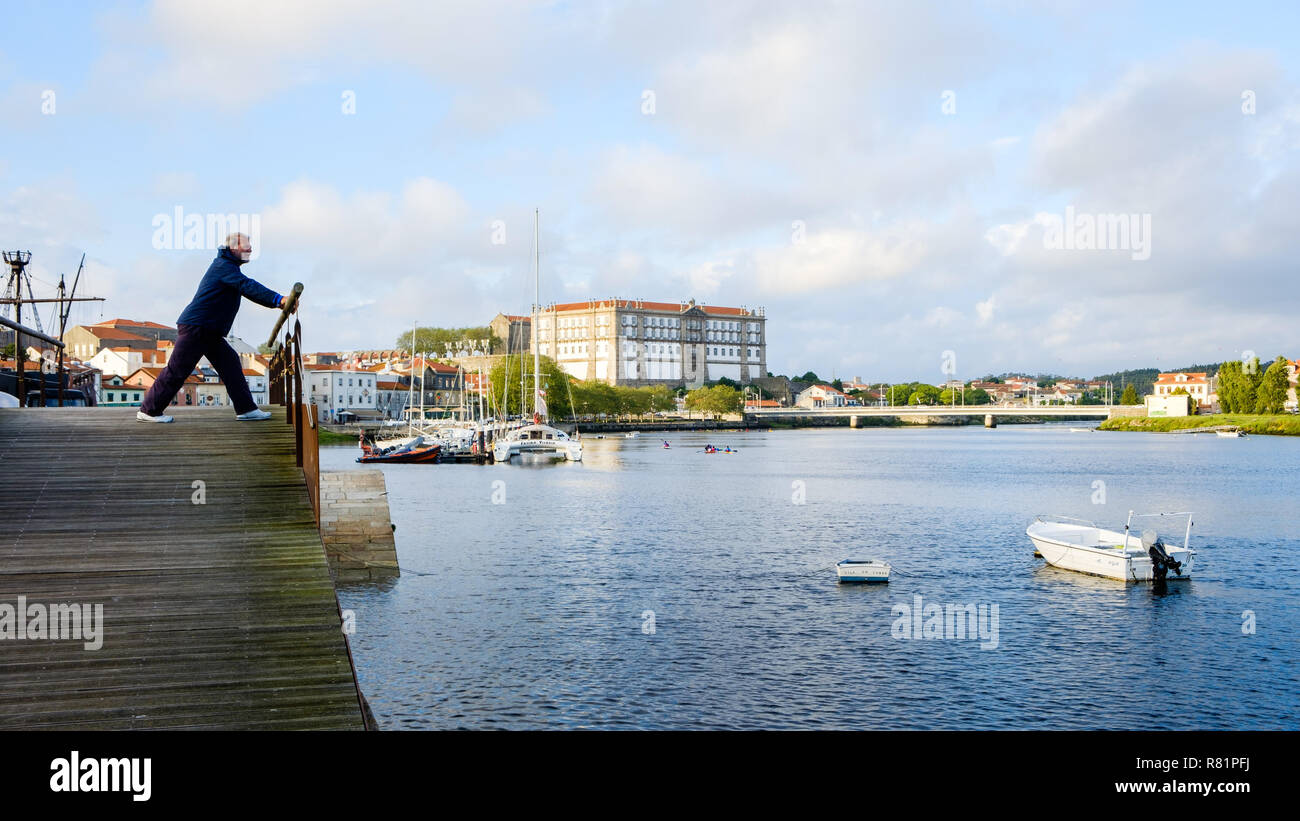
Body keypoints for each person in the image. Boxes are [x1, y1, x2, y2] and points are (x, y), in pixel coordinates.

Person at [137, 233, 295, 423]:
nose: (251, 249)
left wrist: (278, 301)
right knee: (177, 370)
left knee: (231, 363)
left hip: (208, 330)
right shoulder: (223, 267)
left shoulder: (228, 267)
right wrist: (279, 300)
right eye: (247, 245)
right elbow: (248, 286)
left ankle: (246, 409)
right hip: (197, 327)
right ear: (234, 247)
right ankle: (149, 411)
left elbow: (246, 286)